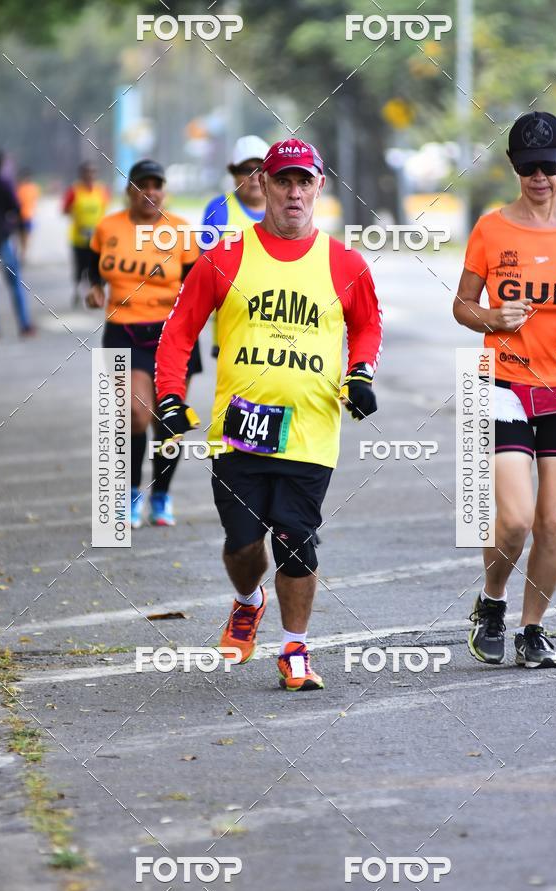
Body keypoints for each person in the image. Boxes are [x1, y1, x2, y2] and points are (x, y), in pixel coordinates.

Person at [155, 138, 382, 691]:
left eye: (304, 181)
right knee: (241, 543)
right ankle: (246, 599)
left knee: (296, 541)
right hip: (239, 431)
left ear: (320, 186)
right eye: (283, 181)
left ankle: (294, 649)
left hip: (310, 430)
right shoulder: (225, 258)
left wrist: (361, 372)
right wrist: (168, 394)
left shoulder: (344, 263)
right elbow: (179, 330)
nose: (294, 192)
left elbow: (368, 325)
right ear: (264, 185)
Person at [454, 111, 556, 669]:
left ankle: (532, 629)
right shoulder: (491, 228)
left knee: (553, 522)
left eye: (550, 165)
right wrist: (491, 317)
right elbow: (461, 306)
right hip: (501, 383)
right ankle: (492, 603)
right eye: (529, 166)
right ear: (514, 166)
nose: (540, 177)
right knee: (513, 519)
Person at [86, 159, 201, 527]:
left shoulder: (180, 231)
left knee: (167, 421)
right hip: (123, 330)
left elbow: (196, 286)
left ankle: (162, 496)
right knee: (134, 413)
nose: (149, 192)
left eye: (156, 185)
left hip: (171, 334)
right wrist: (92, 289)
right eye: (142, 185)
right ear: (129, 191)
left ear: (164, 190)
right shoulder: (109, 227)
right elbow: (94, 268)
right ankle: (131, 493)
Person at [201, 135, 269, 356]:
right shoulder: (219, 209)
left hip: (278, 331)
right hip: (231, 335)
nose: (253, 176)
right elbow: (203, 270)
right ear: (233, 173)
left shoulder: (285, 209)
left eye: (260, 168)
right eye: (245, 170)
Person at [0, 147, 34, 337]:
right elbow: (16, 210)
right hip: (2, 239)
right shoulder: (3, 183)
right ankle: (24, 325)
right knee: (14, 282)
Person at [63, 162, 109, 307]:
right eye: (87, 172)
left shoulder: (101, 190)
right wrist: (77, 218)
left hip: (97, 238)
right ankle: (77, 290)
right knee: (80, 268)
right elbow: (65, 210)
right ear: (82, 174)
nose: (90, 175)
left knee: (97, 268)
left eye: (93, 172)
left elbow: (104, 209)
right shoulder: (74, 191)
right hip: (79, 238)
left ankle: (95, 293)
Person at [16, 168, 40, 264]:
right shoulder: (19, 188)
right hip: (19, 216)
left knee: (26, 236)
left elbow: (35, 201)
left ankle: (23, 255)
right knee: (20, 236)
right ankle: (21, 254)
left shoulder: (33, 188)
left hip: (28, 216)